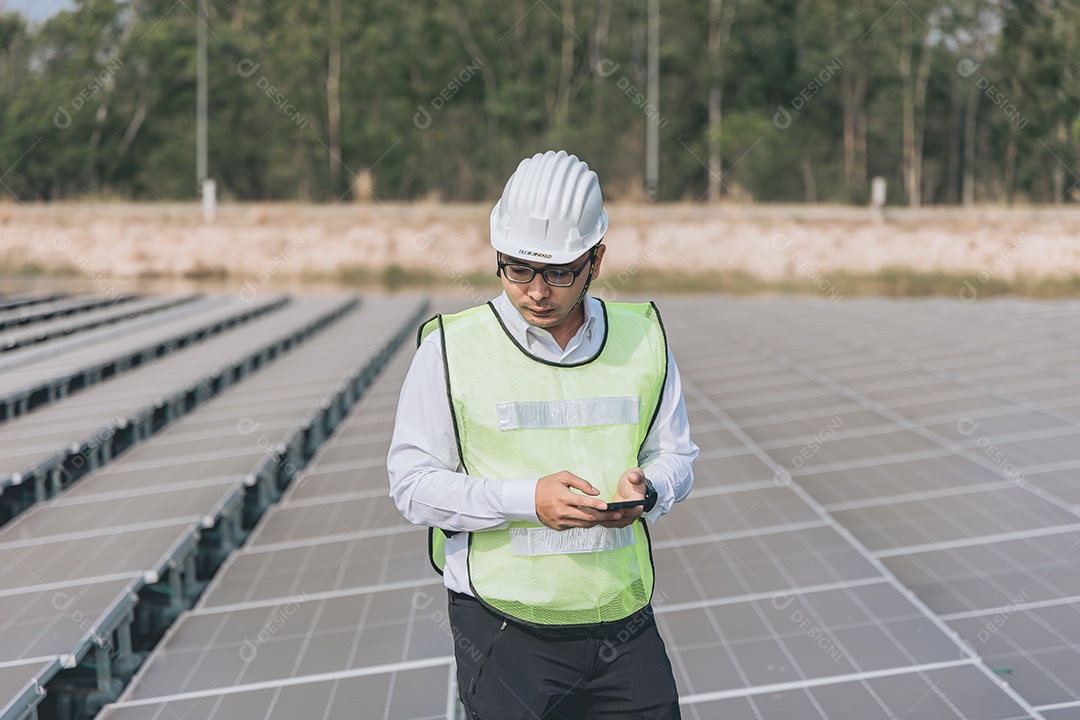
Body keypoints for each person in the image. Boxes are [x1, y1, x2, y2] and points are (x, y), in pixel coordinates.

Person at [388, 150, 697, 720]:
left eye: (558, 272)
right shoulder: (451, 350)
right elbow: (412, 486)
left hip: (622, 624)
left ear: (596, 260)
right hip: (503, 629)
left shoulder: (643, 339)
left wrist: (649, 489)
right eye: (517, 269)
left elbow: (676, 455)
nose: (536, 291)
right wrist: (528, 501)